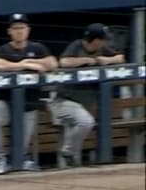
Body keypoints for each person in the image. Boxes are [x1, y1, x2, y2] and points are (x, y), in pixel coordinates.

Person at [0, 13, 57, 174]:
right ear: (9, 31)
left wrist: (31, 62)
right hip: (5, 99)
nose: (19, 31)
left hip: (29, 101)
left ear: (28, 30)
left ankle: (22, 158)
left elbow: (53, 63)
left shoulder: (37, 48)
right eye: (15, 28)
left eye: (22, 28)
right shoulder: (3, 49)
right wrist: (23, 64)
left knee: (24, 138)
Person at [53, 23, 126, 167]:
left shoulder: (102, 49)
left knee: (81, 124)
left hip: (83, 104)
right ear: (95, 40)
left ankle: (69, 162)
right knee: (86, 122)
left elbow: (121, 58)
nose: (105, 42)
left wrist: (107, 60)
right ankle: (68, 152)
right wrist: (87, 60)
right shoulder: (77, 46)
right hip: (64, 101)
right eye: (103, 39)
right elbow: (63, 62)